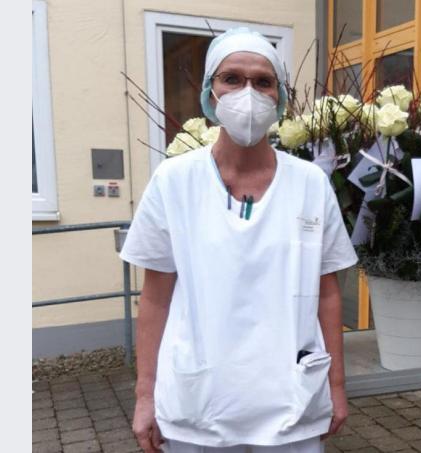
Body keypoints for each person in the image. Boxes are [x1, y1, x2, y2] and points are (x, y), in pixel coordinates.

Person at [121, 28, 357, 453]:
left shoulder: (310, 184)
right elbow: (155, 298)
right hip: (199, 405)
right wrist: (145, 396)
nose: (247, 92)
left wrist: (335, 386)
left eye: (263, 81)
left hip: (291, 405)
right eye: (232, 78)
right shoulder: (174, 182)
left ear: (279, 98)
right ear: (211, 93)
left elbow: (327, 293)